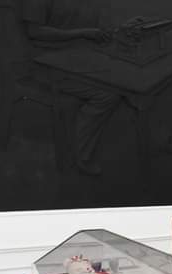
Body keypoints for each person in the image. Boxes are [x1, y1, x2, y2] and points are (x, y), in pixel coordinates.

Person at [22, 0, 121, 175]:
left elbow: (94, 25)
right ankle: (82, 155)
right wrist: (82, 33)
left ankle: (156, 138)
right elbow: (34, 31)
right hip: (46, 63)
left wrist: (106, 33)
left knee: (130, 77)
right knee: (108, 93)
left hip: (79, 57)